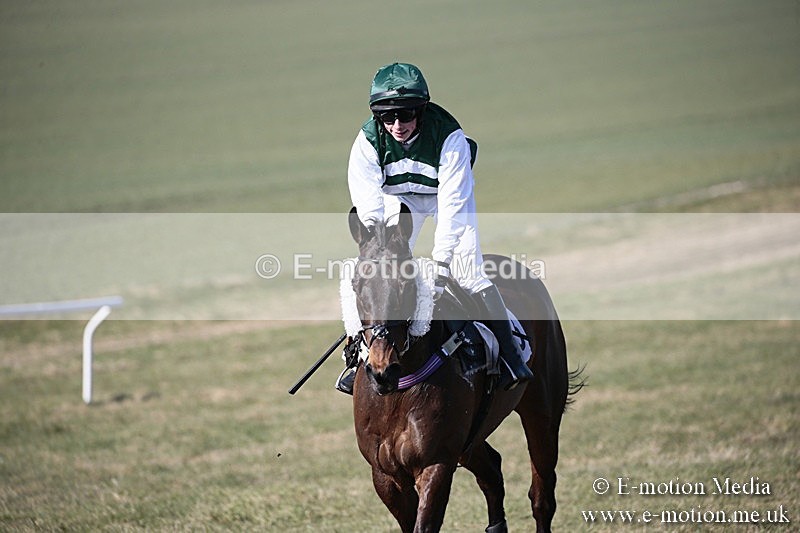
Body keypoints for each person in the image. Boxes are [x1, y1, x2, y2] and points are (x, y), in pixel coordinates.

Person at [336, 62, 533, 394]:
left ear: (422, 110)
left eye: (407, 115)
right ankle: (357, 356)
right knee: (376, 272)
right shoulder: (367, 142)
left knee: (468, 272)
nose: (397, 125)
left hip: (446, 198)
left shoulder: (449, 136)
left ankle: (511, 357)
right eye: (387, 117)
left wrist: (440, 266)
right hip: (401, 200)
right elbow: (369, 209)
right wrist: (374, 250)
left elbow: (454, 206)